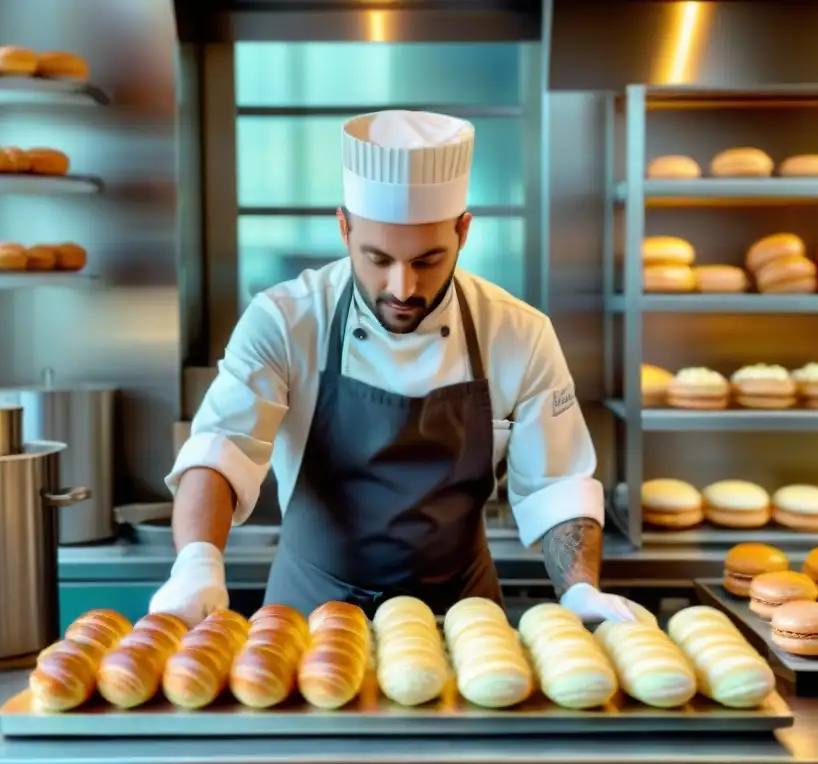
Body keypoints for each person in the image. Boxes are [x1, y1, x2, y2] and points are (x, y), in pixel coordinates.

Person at [149, 110, 637, 626]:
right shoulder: (286, 319)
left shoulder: (518, 332)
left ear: (463, 231)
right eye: (378, 258)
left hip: (463, 619)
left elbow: (556, 483)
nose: (403, 287)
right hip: (310, 611)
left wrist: (580, 590)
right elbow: (222, 447)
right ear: (344, 228)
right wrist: (196, 563)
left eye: (427, 260)